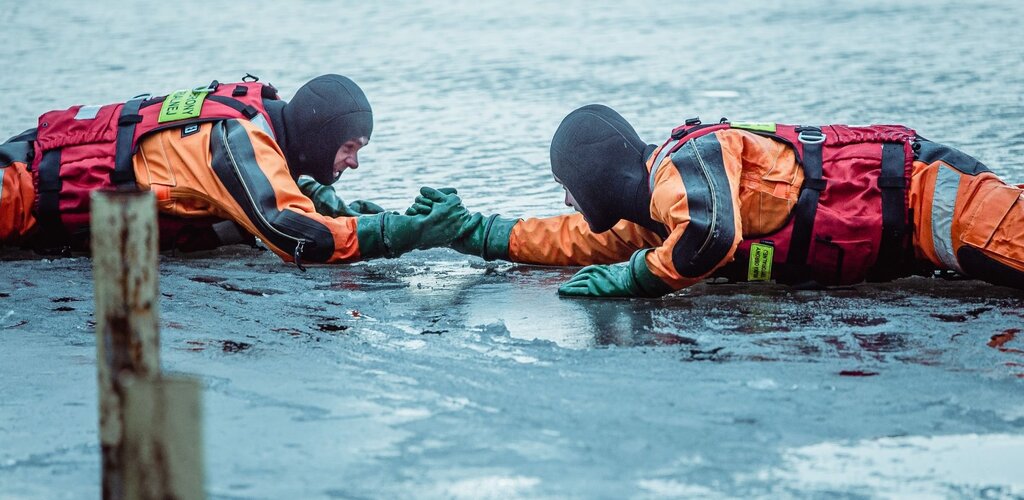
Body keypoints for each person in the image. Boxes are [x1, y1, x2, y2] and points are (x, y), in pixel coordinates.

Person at [395, 104, 1022, 297]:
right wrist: (474, 230)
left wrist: (638, 279)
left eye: (568, 183)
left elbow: (712, 235)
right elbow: (565, 240)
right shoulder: (652, 219)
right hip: (917, 238)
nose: (565, 197)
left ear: (594, 175)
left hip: (939, 199)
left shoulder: (686, 164)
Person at [0, 74, 466, 267]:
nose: (354, 162)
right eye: (349, 147)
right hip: (15, 191)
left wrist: (361, 215)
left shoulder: (259, 128)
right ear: (322, 137)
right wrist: (399, 234)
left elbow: (287, 201)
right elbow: (298, 236)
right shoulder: (236, 139)